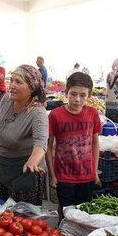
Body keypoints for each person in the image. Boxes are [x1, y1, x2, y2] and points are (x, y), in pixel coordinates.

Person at [0, 65, 48, 206]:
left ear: (32, 88)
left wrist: (33, 161)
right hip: (2, 169)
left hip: (23, 173)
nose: (12, 86)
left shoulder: (38, 112)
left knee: (23, 219)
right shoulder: (7, 100)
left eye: (18, 82)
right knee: (4, 211)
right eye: (11, 80)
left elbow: (41, 143)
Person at [46, 72, 101, 218]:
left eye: (83, 95)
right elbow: (49, 146)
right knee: (66, 217)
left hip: (87, 176)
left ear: (89, 96)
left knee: (84, 217)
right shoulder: (55, 115)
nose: (77, 99)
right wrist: (52, 175)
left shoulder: (93, 114)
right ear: (66, 92)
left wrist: (95, 171)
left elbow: (95, 143)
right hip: (64, 177)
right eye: (73, 94)